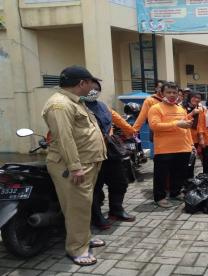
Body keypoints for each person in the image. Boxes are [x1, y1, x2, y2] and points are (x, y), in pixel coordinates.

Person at [42, 65, 106, 266]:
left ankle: (84, 238)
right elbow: (64, 138)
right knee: (76, 208)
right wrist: (75, 166)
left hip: (87, 162)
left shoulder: (76, 102)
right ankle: (77, 248)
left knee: (83, 205)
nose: (93, 87)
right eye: (91, 83)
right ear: (82, 83)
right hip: (74, 166)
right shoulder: (60, 105)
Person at [83, 80, 136, 230]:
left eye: (96, 89)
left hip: (110, 153)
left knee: (120, 182)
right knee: (95, 188)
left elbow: (118, 119)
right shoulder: (78, 107)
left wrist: (131, 131)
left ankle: (116, 210)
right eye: (90, 89)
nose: (93, 92)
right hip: (90, 155)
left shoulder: (103, 106)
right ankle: (96, 216)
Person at [148, 82, 194, 208]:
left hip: (183, 147)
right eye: (168, 92)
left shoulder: (180, 109)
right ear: (162, 93)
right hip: (164, 149)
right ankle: (160, 197)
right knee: (161, 175)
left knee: (179, 173)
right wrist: (177, 124)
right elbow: (154, 126)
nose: (172, 95)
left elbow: (187, 128)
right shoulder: (156, 108)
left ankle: (175, 192)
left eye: (174, 92)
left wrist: (191, 144)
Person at [181, 91, 203, 178]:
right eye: (194, 97)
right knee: (185, 162)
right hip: (185, 138)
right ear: (189, 97)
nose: (196, 99)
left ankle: (189, 181)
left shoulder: (200, 108)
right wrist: (192, 113)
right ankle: (183, 181)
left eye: (198, 98)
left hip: (196, 138)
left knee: (191, 162)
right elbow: (181, 120)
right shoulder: (182, 107)